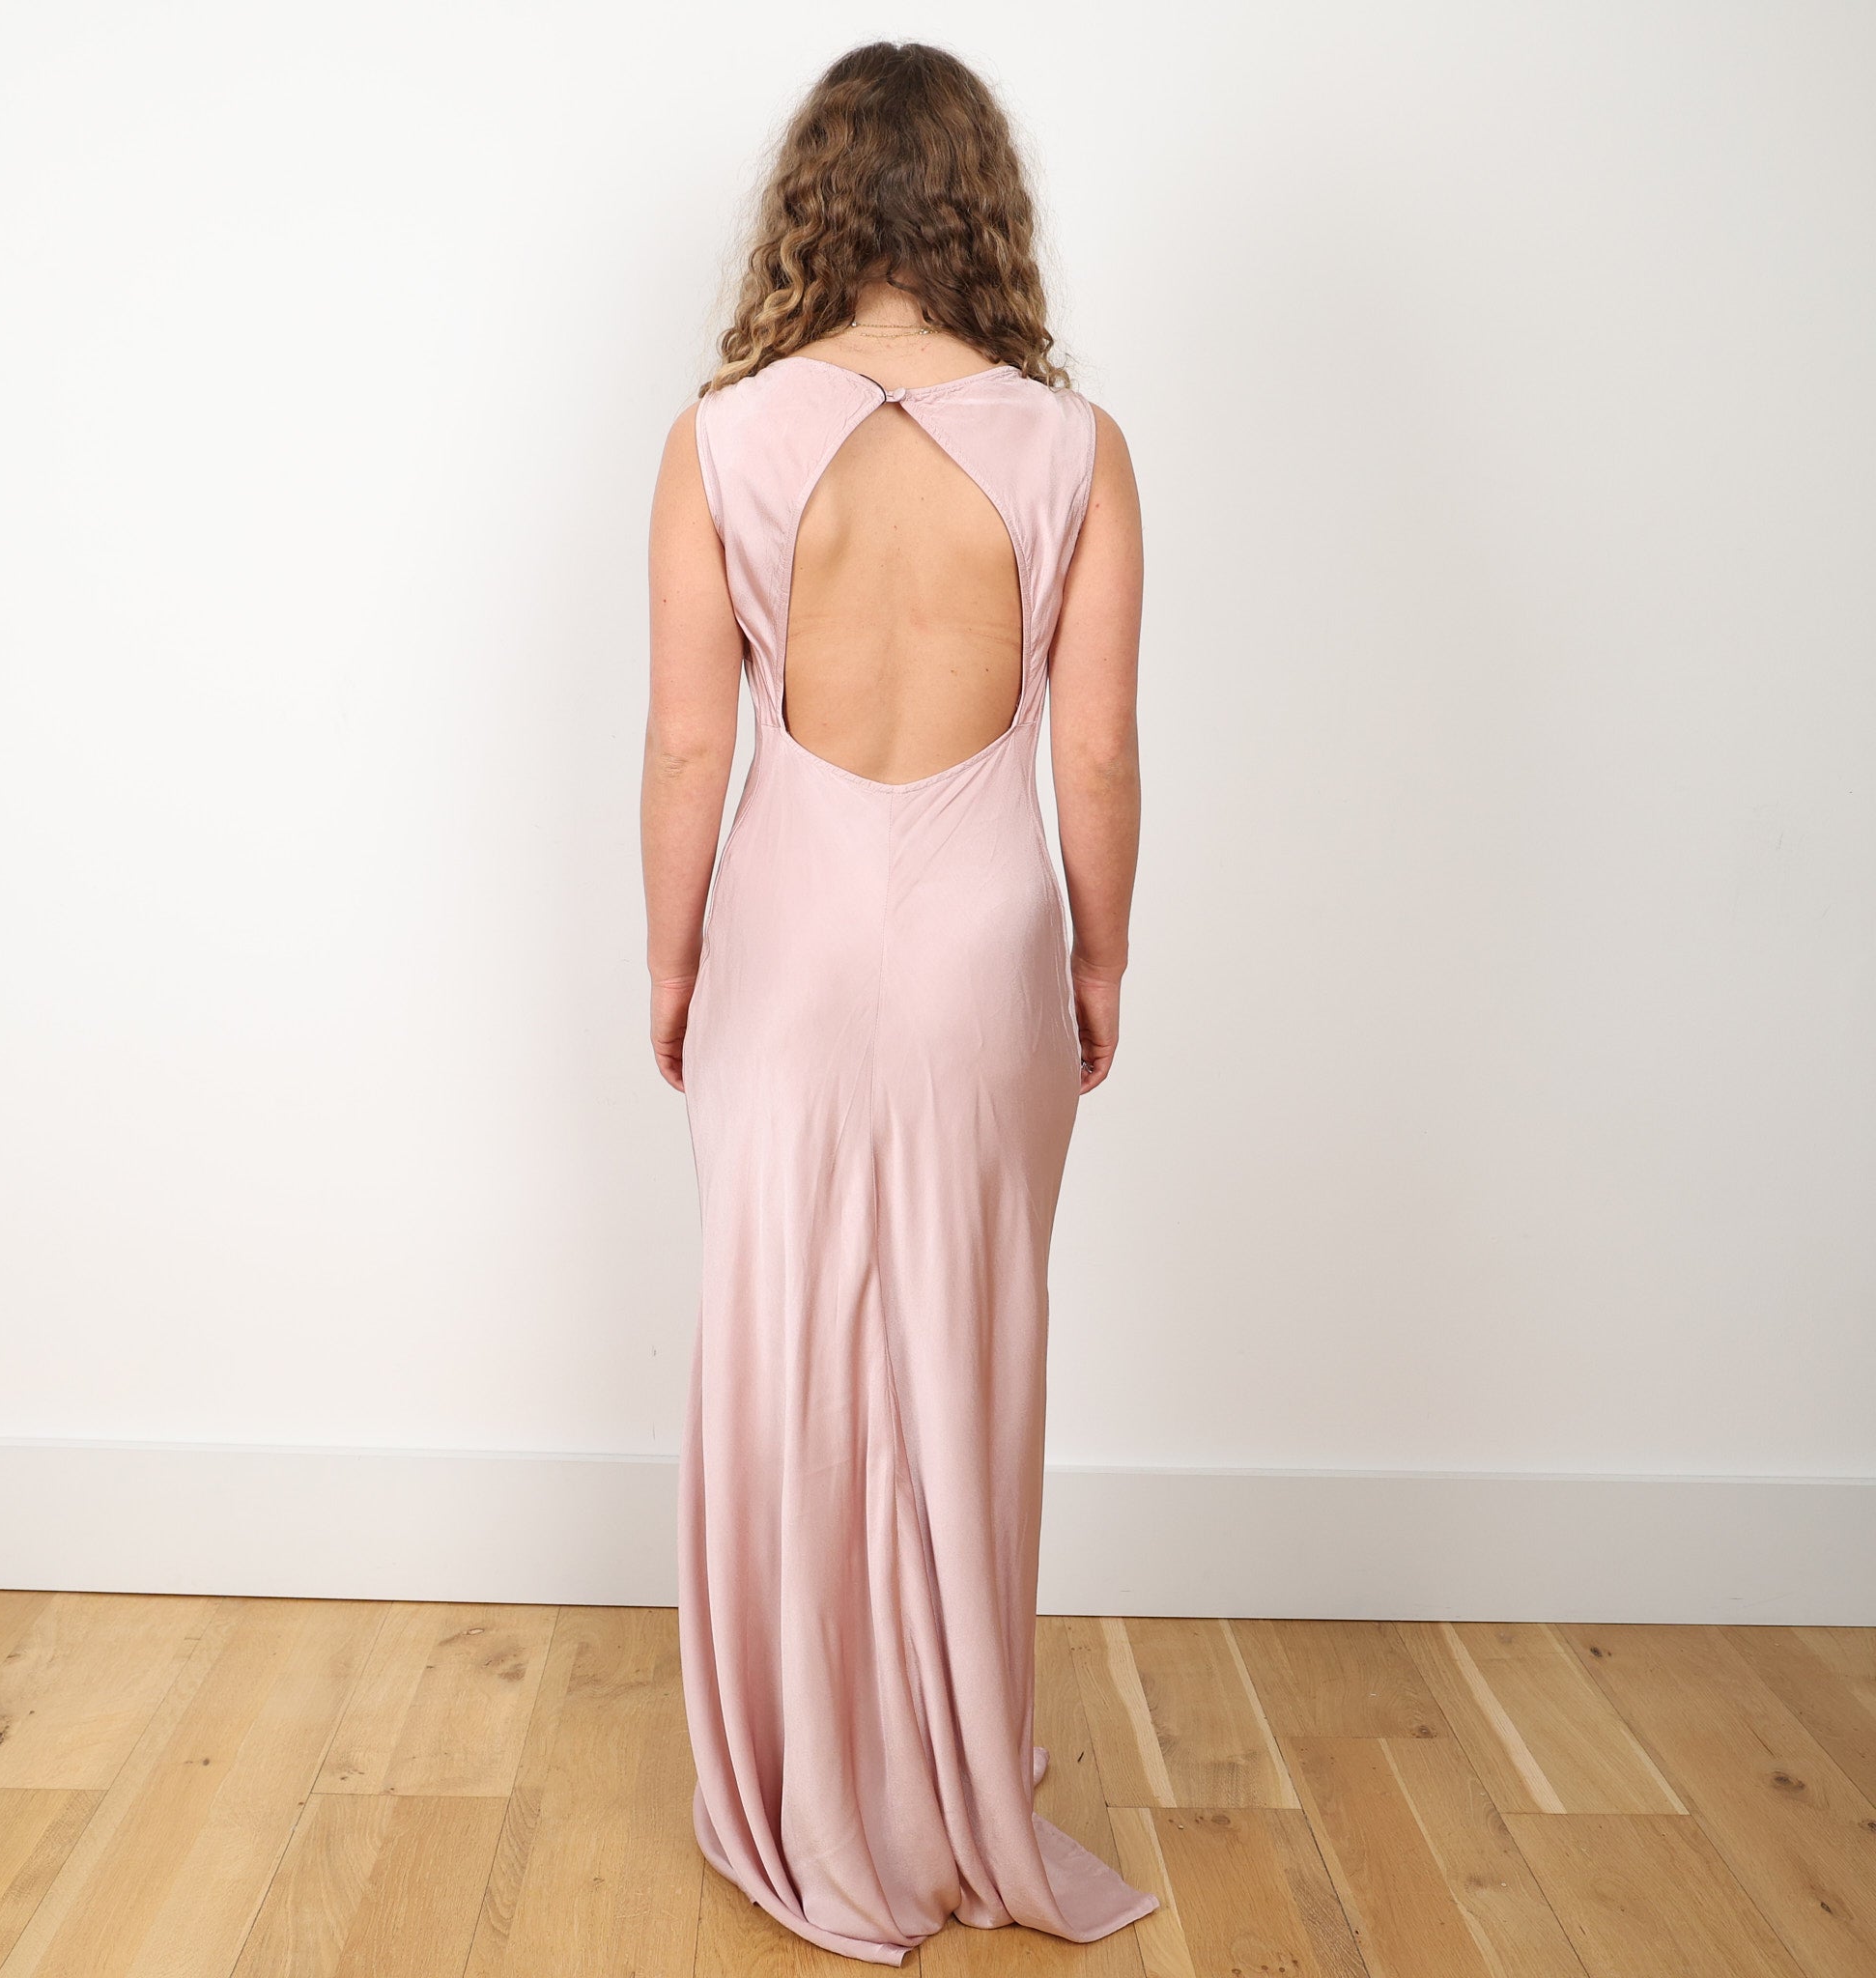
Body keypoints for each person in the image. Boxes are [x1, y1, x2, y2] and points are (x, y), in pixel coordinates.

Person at [640, 39, 1147, 1966]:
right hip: (984, 931)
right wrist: (1100, 953)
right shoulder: (1074, 448)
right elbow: (1091, 753)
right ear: (980, 208)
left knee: (782, 1345)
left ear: (813, 204)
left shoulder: (719, 439)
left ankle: (811, 1779)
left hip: (785, 921)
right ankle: (943, 1780)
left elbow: (691, 748)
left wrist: (672, 958)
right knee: (968, 1343)